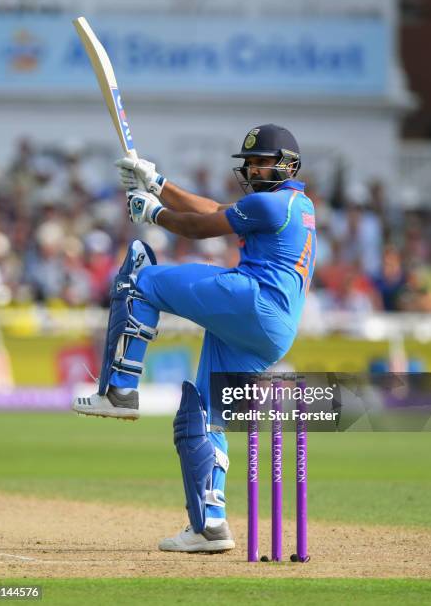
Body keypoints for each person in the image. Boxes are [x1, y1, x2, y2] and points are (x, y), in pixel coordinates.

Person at [72, 124, 317, 553]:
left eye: (262, 161)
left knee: (143, 280)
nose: (254, 170)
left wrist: (152, 215)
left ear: (288, 164)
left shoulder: (275, 204)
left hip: (254, 301)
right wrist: (159, 184)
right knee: (201, 414)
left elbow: (201, 227)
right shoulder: (289, 205)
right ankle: (210, 526)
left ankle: (121, 390)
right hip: (271, 330)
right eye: (250, 163)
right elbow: (213, 208)